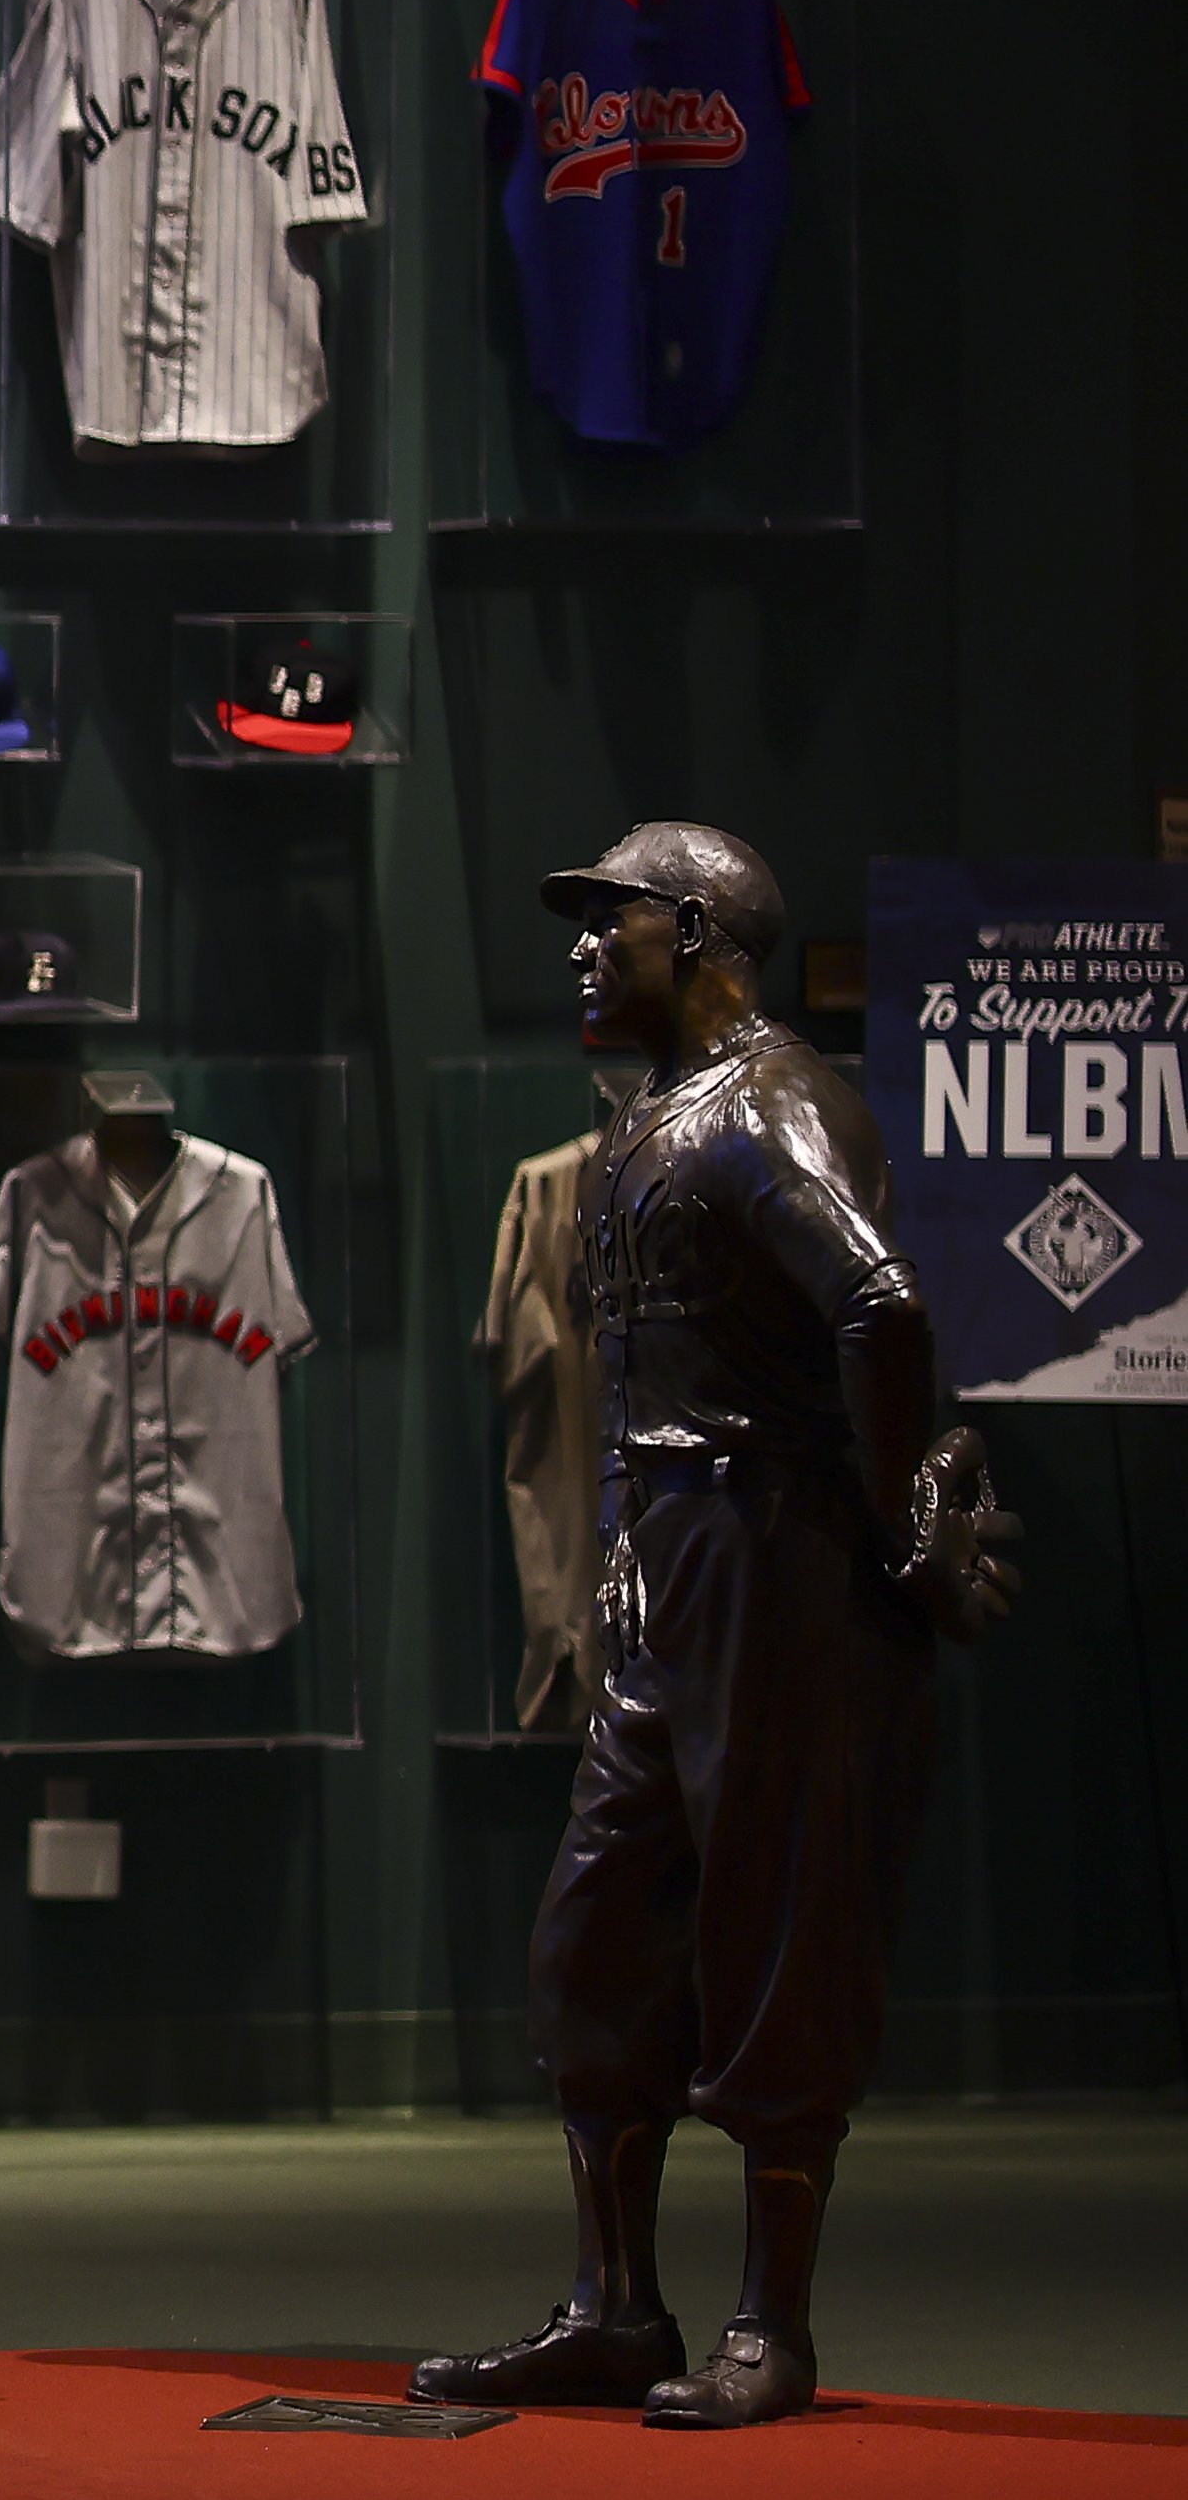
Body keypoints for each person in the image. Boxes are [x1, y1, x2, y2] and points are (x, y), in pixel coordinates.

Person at [415, 823, 1022, 2431]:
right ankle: (611, 2305)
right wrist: (625, 1543)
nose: (576, 948)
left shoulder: (765, 1101)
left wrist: (894, 1511)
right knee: (595, 1937)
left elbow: (876, 1301)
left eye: (604, 921)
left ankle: (771, 2325)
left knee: (776, 1933)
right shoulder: (642, 1124)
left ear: (693, 931)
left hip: (776, 1561)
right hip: (676, 1560)